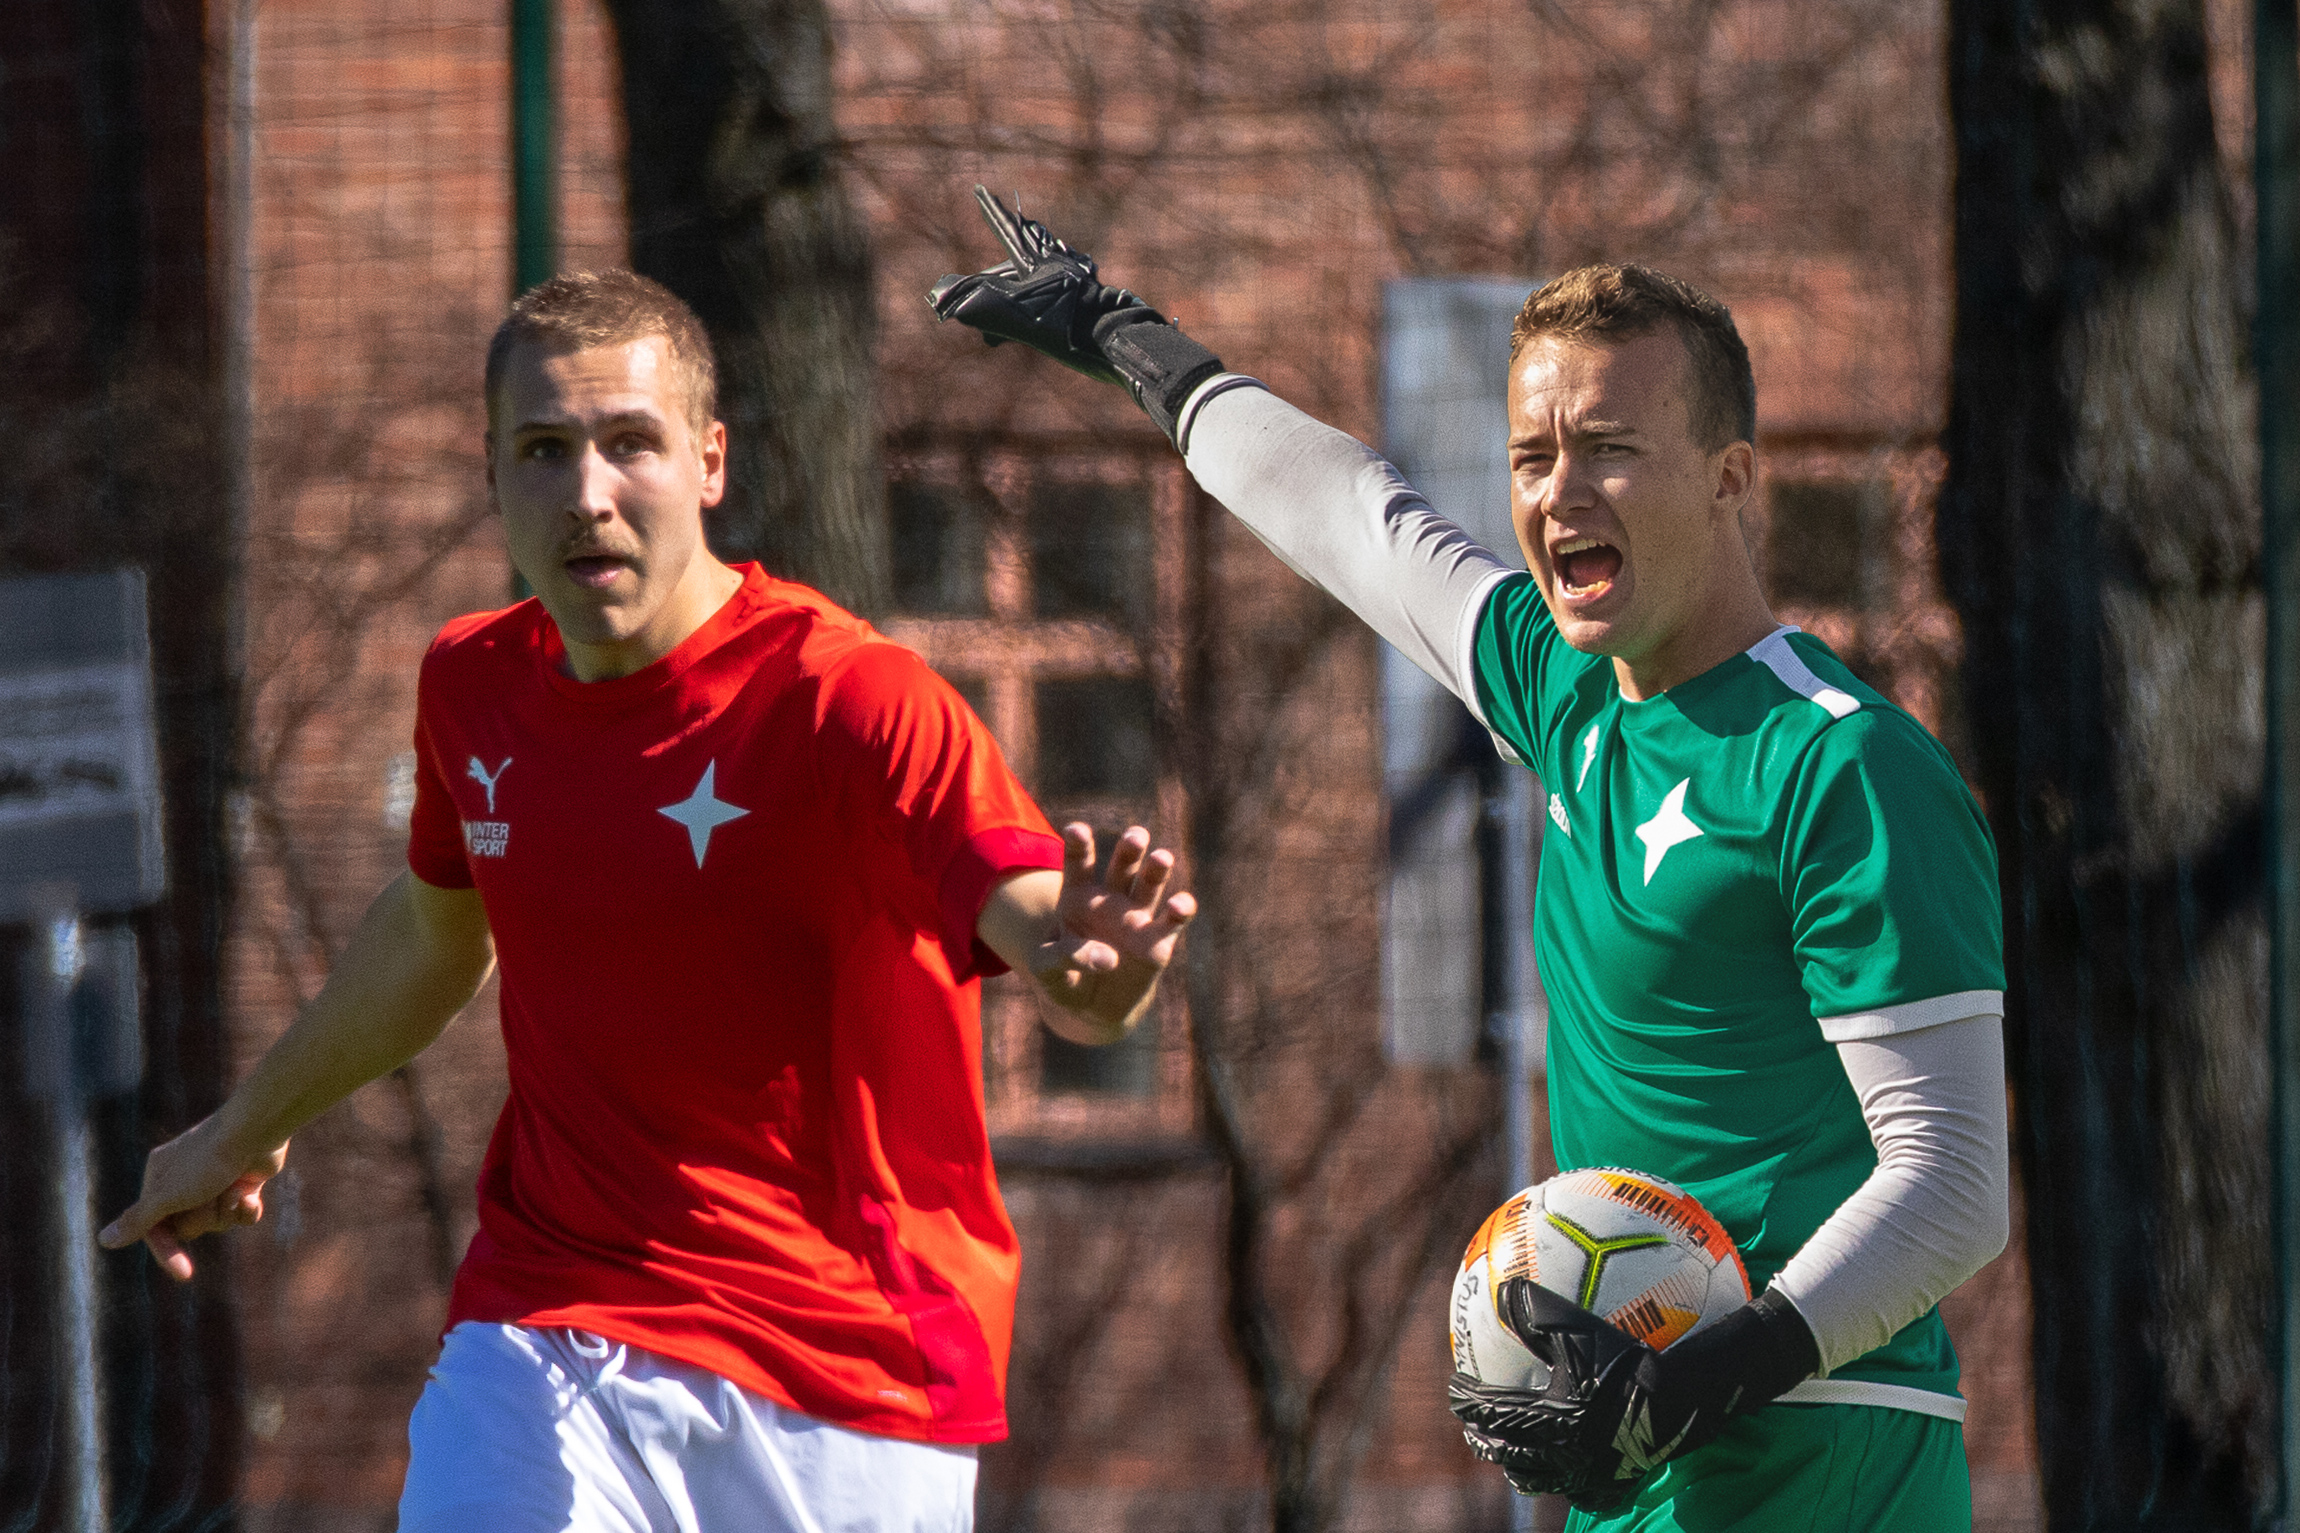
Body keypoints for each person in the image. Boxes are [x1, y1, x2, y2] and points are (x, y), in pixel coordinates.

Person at [930, 191, 2008, 1530]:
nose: (1559, 491)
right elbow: (1356, 517)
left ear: (1734, 480)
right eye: (1534, 454)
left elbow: (1956, 1188)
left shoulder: (1841, 764)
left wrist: (1710, 1376)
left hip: (1827, 1460)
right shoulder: (1570, 702)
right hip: (1633, 1462)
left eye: (1609, 446)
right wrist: (1120, 331)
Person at [100, 269, 1196, 1533]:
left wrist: (1100, 969)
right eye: (545, 450)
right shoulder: (473, 687)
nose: (588, 494)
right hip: (549, 1320)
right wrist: (247, 1122)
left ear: (710, 462)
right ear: (496, 475)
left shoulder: (849, 700)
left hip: (838, 1371)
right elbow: (433, 932)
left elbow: (1043, 928)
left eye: (631, 444)